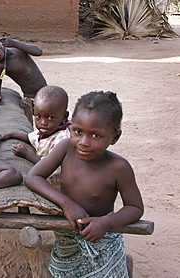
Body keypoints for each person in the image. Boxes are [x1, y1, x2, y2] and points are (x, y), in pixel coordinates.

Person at [25, 91, 144, 278]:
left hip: (102, 235)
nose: (84, 142)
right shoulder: (65, 149)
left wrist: (106, 222)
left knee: (110, 274)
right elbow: (33, 177)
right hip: (67, 232)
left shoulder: (118, 167)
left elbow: (135, 207)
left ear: (114, 137)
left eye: (96, 135)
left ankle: (124, 266)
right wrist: (67, 204)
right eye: (78, 131)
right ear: (71, 126)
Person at [0, 85, 70, 190]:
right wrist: (11, 135)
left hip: (59, 188)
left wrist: (26, 154)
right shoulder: (47, 131)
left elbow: (51, 168)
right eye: (38, 116)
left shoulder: (61, 139)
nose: (43, 123)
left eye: (51, 118)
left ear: (64, 117)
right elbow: (30, 137)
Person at [0, 36, 47, 103]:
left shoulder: (17, 48)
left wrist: (14, 43)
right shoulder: (1, 67)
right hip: (32, 97)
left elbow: (38, 52)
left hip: (46, 90)